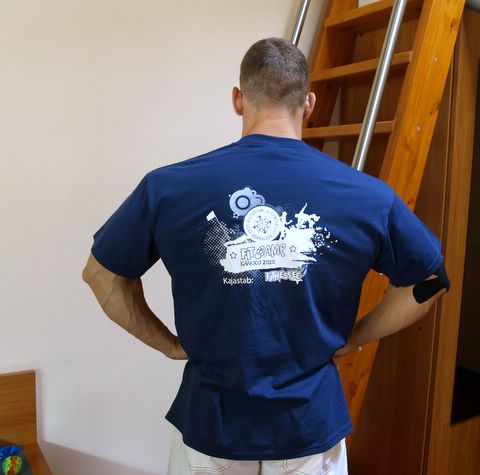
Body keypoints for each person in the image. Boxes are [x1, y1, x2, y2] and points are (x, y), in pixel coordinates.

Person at [82, 37, 449, 475]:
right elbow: (429, 282)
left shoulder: (167, 188)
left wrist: (169, 345)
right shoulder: (367, 195)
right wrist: (356, 337)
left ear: (238, 100)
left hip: (210, 430)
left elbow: (101, 275)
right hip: (309, 431)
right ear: (308, 103)